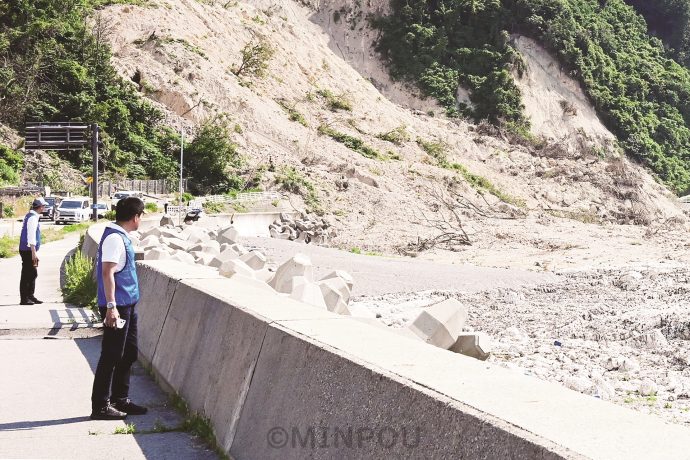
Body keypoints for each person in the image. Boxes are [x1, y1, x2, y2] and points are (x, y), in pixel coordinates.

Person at [90, 197, 148, 420]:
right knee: (111, 355)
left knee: (129, 352)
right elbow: (107, 272)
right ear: (136, 217)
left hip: (128, 304)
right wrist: (111, 307)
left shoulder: (119, 236)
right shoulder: (115, 238)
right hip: (118, 307)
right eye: (141, 216)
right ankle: (100, 406)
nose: (141, 219)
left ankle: (120, 399)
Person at [18, 198, 47, 305]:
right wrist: (34, 253)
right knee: (28, 274)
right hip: (28, 250)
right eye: (43, 206)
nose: (44, 208)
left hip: (28, 250)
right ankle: (25, 298)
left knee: (32, 273)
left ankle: (30, 296)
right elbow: (31, 236)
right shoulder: (33, 218)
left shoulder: (31, 216)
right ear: (40, 207)